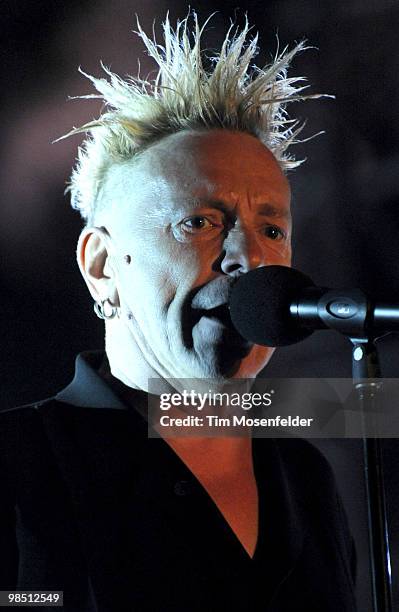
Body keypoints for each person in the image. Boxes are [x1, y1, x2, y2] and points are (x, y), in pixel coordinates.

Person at [0, 14, 357, 611]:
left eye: (272, 228)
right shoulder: (19, 459)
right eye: (200, 223)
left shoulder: (306, 475)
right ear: (103, 264)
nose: (250, 256)